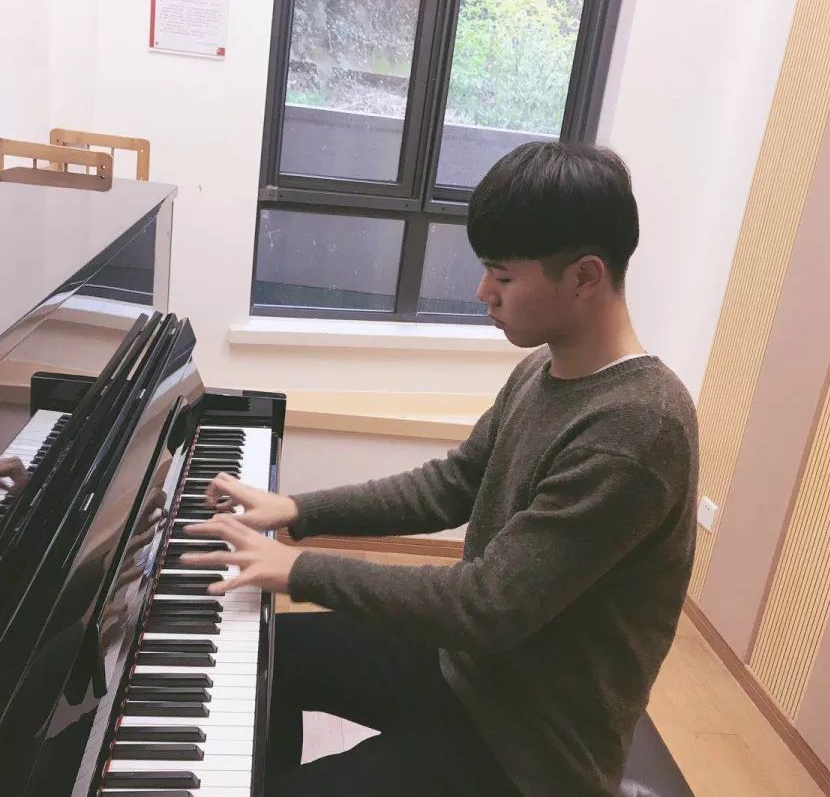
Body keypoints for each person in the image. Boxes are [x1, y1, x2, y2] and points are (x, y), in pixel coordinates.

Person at [181, 141, 699, 796]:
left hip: (527, 746)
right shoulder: (542, 369)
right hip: (467, 668)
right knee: (257, 660)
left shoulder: (639, 428)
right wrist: (299, 510)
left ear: (585, 277)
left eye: (502, 277)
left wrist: (300, 568)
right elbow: (452, 484)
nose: (483, 293)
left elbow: (486, 605)